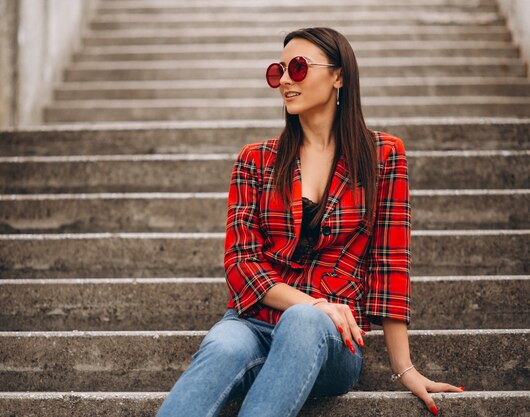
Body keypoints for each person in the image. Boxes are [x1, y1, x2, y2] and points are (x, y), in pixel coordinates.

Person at [156, 27, 463, 417]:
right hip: (253, 321)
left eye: (298, 67)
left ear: (339, 76)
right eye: (278, 71)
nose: (285, 80)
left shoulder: (383, 155)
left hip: (331, 338)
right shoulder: (255, 160)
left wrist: (404, 368)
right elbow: (241, 264)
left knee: (303, 320)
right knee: (223, 346)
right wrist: (313, 302)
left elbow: (390, 265)